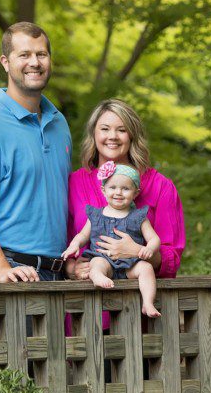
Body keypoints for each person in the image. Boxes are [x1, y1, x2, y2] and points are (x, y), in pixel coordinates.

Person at [0, 21, 72, 291]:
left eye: (41, 54)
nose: (35, 62)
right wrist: (1, 270)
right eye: (25, 55)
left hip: (58, 275)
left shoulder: (59, 124)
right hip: (8, 272)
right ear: (6, 62)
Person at [65, 99, 185, 283]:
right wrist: (72, 268)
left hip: (138, 301)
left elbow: (172, 258)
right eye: (105, 129)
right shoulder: (75, 183)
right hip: (86, 302)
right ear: (94, 134)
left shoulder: (160, 186)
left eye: (121, 130)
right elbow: (60, 242)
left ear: (132, 135)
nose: (112, 136)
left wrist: (138, 252)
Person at [63, 162, 162, 317]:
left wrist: (149, 248)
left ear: (135, 193)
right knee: (96, 264)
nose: (119, 192)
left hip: (130, 265)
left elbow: (154, 238)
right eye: (113, 187)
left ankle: (148, 303)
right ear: (103, 190)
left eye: (125, 188)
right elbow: (83, 235)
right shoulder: (96, 215)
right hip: (104, 260)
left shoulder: (139, 217)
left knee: (146, 269)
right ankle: (98, 278)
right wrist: (74, 245)